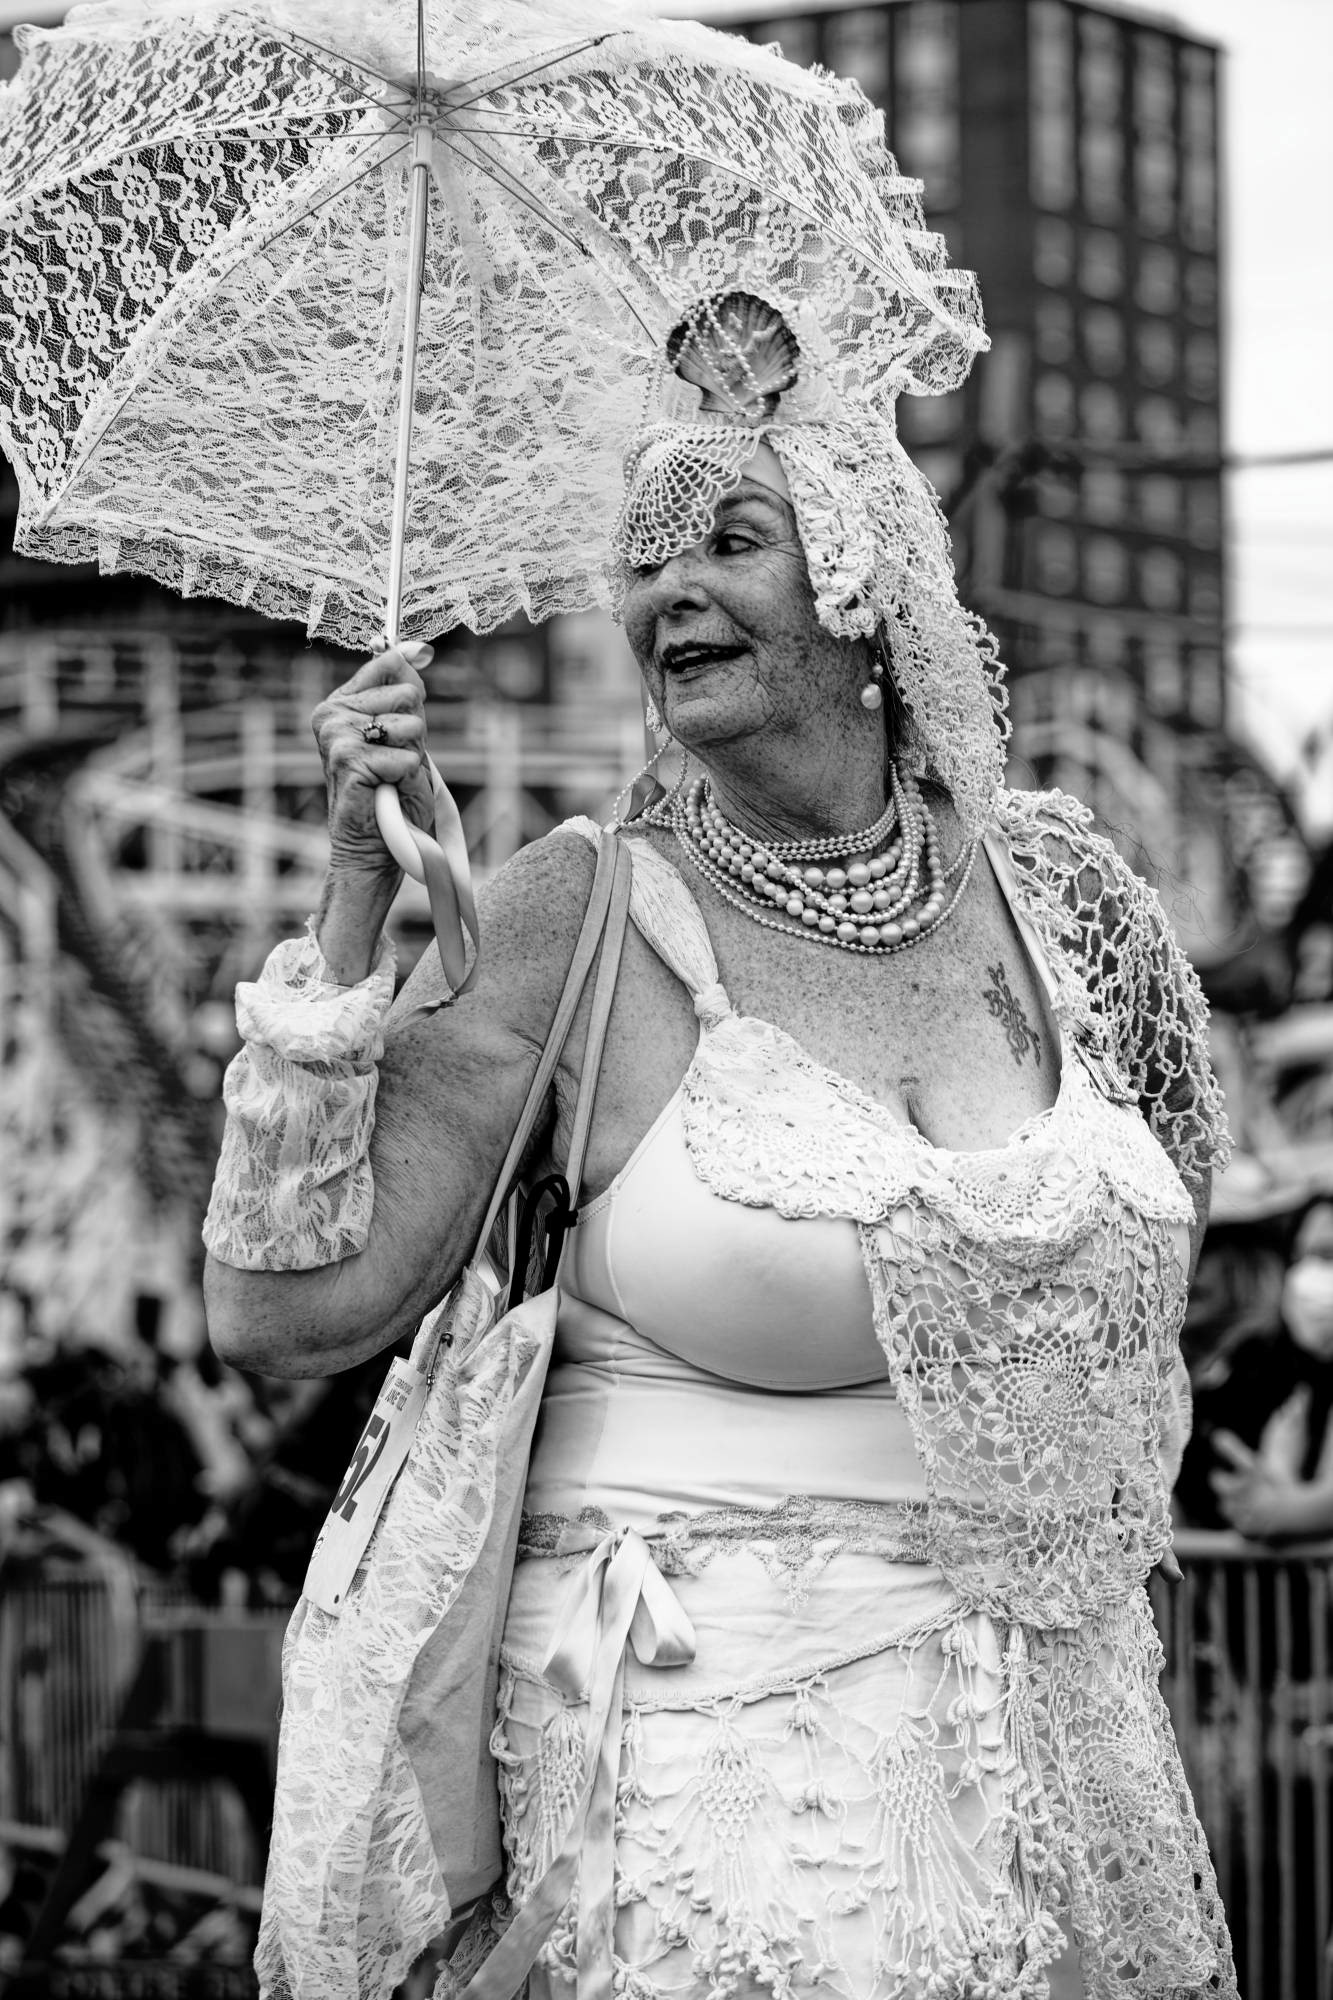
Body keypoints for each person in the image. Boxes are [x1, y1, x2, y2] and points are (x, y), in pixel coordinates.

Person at [203, 291, 1236, 2000]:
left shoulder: (1063, 904)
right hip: (717, 1812)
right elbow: (279, 1316)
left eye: (727, 540)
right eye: (642, 559)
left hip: (1061, 1780)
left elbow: (1165, 1248)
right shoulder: (571, 914)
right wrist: (350, 895)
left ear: (860, 590)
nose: (663, 589)